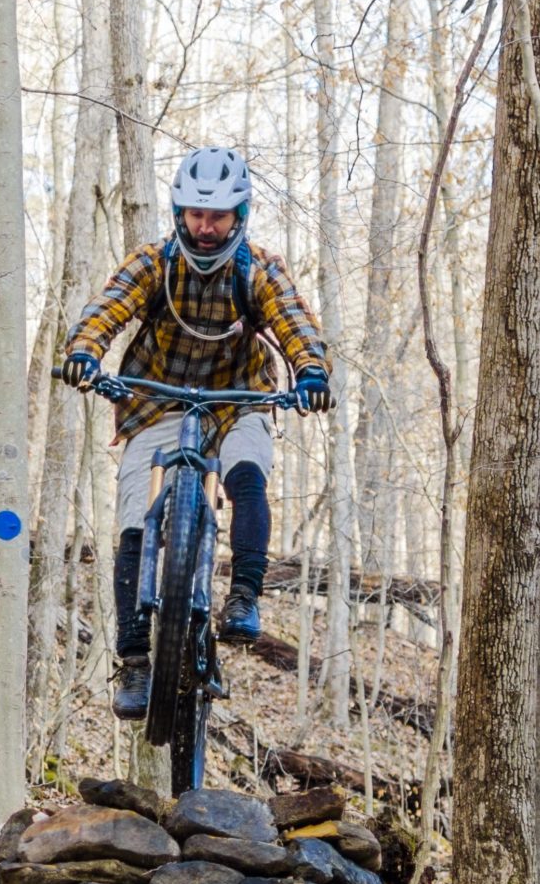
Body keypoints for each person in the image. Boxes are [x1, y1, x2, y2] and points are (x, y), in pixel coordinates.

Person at [55, 147, 333, 720]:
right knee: (135, 512)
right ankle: (134, 660)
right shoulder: (154, 261)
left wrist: (310, 372)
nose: (205, 229)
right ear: (179, 212)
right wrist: (84, 351)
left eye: (219, 217)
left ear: (241, 215)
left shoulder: (258, 269)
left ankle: (243, 599)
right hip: (157, 398)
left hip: (240, 397)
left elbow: (295, 322)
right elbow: (107, 308)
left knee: (248, 472)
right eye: (195, 216)